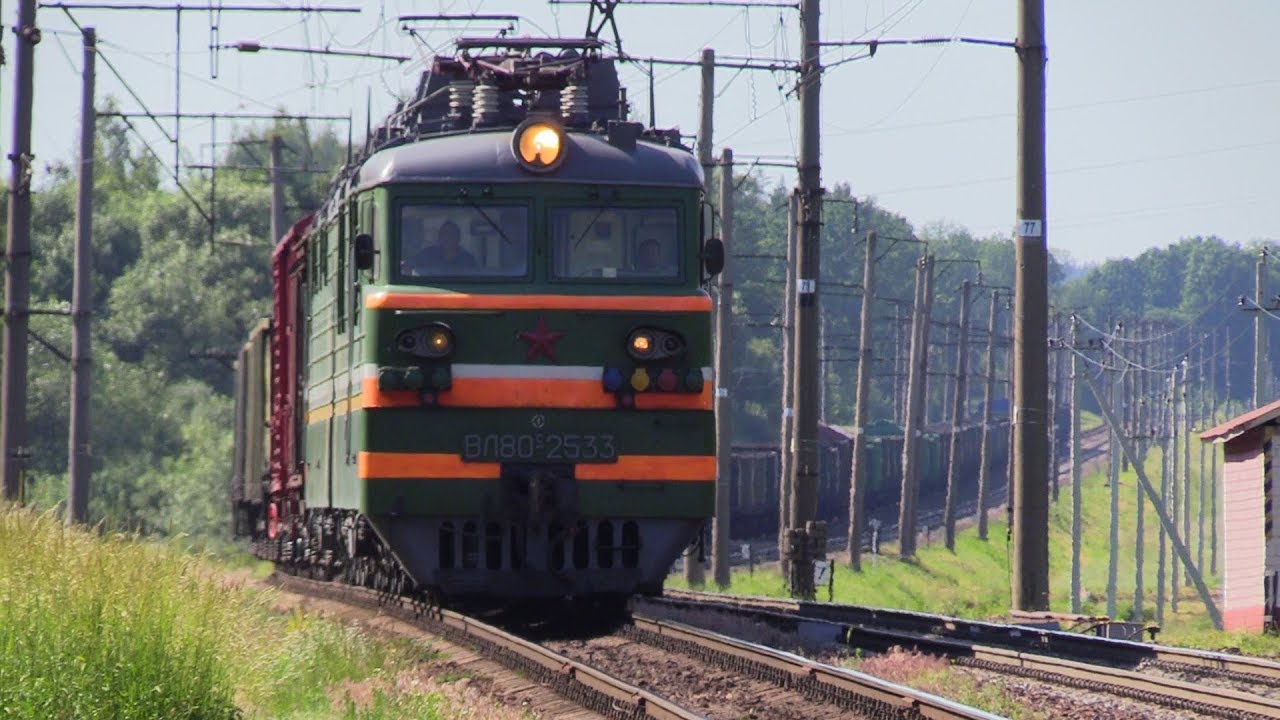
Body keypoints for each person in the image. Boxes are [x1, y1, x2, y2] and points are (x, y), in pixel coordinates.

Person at [405, 220, 477, 275]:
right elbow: (409, 267)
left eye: (451, 234)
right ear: (439, 237)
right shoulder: (427, 254)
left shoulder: (467, 259)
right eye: (444, 233)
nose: (447, 237)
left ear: (458, 237)